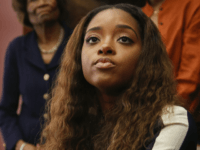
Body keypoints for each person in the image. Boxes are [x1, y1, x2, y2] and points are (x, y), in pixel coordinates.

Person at [40, 3, 197, 150]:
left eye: (124, 39)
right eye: (93, 39)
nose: (105, 46)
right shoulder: (73, 125)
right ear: (78, 56)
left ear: (146, 56)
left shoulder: (172, 120)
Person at [0, 0, 72, 150]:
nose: (42, 3)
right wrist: (21, 146)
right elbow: (6, 111)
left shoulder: (77, 43)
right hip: (26, 143)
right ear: (25, 9)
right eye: (33, 0)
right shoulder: (17, 48)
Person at [142, 0, 200, 121]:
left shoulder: (193, 5)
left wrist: (170, 114)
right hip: (138, 111)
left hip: (175, 112)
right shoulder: (138, 13)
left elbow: (192, 72)